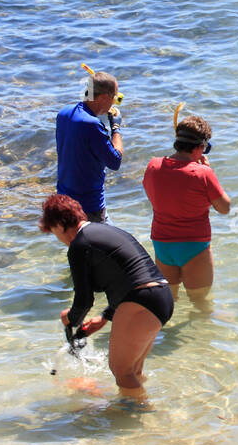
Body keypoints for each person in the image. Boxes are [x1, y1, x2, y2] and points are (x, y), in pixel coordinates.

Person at [40, 193, 174, 393]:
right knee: (133, 371)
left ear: (59, 225)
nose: (58, 239)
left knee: (122, 371)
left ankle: (137, 416)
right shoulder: (106, 231)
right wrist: (104, 317)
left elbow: (84, 300)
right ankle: (137, 410)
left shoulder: (78, 245)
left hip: (141, 300)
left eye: (54, 232)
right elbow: (127, 278)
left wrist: (70, 319)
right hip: (162, 296)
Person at [142, 116, 231, 308]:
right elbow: (224, 208)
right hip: (194, 245)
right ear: (200, 147)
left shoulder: (153, 166)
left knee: (168, 303)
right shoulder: (202, 173)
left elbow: (156, 196)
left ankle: (166, 336)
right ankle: (199, 337)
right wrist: (209, 172)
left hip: (162, 243)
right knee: (201, 304)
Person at [56, 71, 123, 223]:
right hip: (89, 206)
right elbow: (115, 161)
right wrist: (116, 127)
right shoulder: (92, 125)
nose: (114, 102)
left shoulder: (64, 113)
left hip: (64, 199)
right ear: (104, 97)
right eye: (114, 97)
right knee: (107, 245)